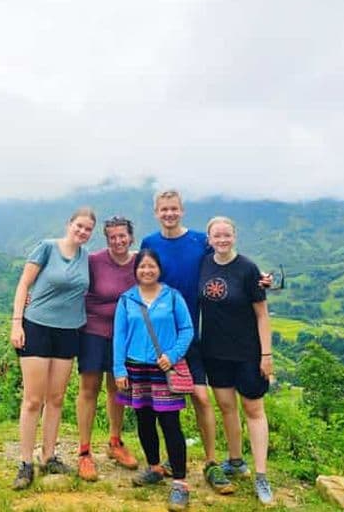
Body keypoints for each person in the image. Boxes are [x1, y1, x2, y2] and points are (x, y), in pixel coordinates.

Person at [140, 189, 270, 494]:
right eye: (164, 209)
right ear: (156, 212)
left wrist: (260, 278)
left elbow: (227, 263)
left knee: (201, 397)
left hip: (192, 337)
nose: (169, 213)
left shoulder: (200, 240)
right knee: (156, 401)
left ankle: (211, 462)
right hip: (159, 337)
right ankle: (162, 462)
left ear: (182, 210)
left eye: (174, 208)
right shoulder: (150, 243)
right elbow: (141, 272)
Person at [9, 207, 96, 490]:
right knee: (33, 399)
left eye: (88, 229)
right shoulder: (47, 248)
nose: (82, 232)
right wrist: (16, 323)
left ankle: (48, 456)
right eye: (79, 226)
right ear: (69, 224)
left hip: (69, 331)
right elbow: (24, 284)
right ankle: (25, 462)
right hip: (36, 327)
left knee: (56, 398)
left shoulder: (87, 258)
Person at [199, 216, 274, 505]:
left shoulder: (247, 268)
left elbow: (262, 314)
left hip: (247, 353)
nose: (221, 240)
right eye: (216, 236)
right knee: (227, 407)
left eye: (226, 235)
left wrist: (266, 355)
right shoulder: (204, 263)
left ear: (235, 236)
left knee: (253, 409)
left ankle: (261, 474)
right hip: (214, 352)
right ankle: (234, 460)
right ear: (209, 239)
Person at [113, 249, 193, 512]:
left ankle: (180, 483)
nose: (147, 271)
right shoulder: (127, 300)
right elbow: (119, 335)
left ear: (159, 269)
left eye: (151, 266)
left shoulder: (172, 297)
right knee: (144, 421)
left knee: (170, 424)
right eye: (142, 267)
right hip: (136, 369)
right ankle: (154, 467)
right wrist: (118, 369)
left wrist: (173, 354)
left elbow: (187, 329)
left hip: (164, 369)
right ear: (135, 270)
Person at [76, 216, 139, 481]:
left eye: (122, 236)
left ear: (131, 237)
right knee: (89, 389)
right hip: (93, 332)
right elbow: (71, 281)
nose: (118, 241)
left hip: (124, 336)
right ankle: (84, 452)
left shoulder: (139, 262)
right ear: (107, 239)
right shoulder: (94, 261)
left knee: (118, 387)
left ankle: (115, 442)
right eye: (112, 237)